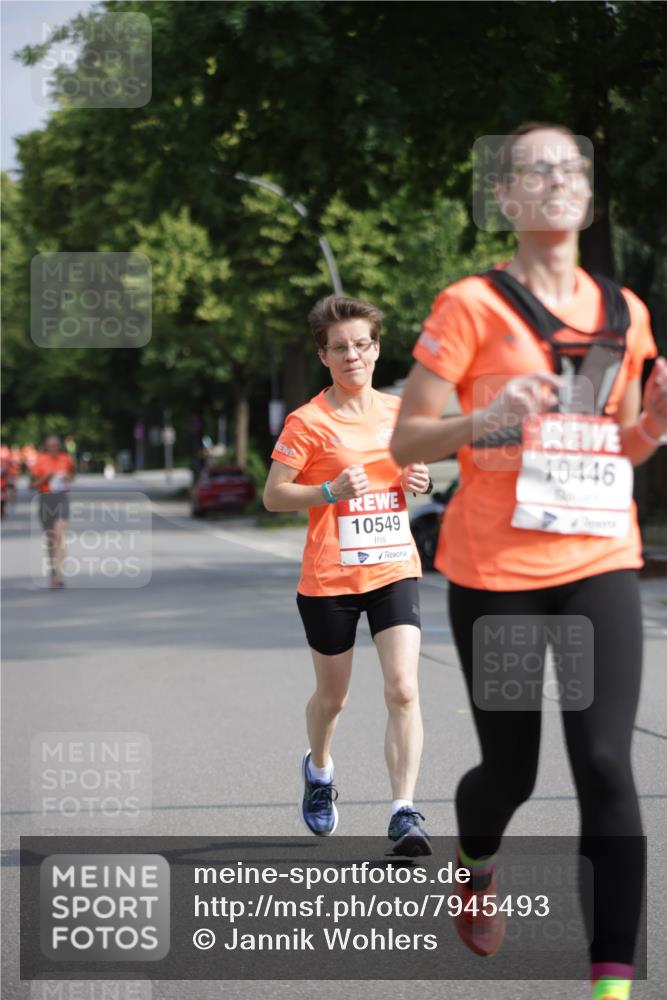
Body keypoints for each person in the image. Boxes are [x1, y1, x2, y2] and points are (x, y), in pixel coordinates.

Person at [391, 123, 665, 1000]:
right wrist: (487, 418)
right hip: (495, 571)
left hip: (598, 556)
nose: (557, 180)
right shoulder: (469, 305)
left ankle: (611, 986)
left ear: (587, 191)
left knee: (606, 764)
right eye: (534, 171)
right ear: (505, 199)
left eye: (570, 167)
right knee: (510, 770)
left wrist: (652, 428)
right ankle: (475, 861)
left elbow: (618, 445)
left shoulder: (625, 312)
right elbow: (408, 440)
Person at [263, 294, 434, 856]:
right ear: (324, 356)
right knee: (332, 699)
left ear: (377, 349)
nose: (353, 355)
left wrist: (418, 481)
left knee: (403, 688)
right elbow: (273, 495)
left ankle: (403, 811)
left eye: (362, 345)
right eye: (340, 348)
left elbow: (414, 472)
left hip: (393, 566)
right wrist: (328, 491)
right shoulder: (307, 422)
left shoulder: (399, 412)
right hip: (330, 578)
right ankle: (318, 769)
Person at [31, 434, 76, 589]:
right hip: (46, 499)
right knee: (51, 538)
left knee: (59, 534)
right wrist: (46, 478)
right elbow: (32, 485)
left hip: (61, 498)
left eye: (56, 445)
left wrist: (67, 477)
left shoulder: (66, 459)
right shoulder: (40, 460)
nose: (54, 448)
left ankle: (59, 575)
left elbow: (72, 475)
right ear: (46, 447)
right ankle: (53, 570)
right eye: (50, 446)